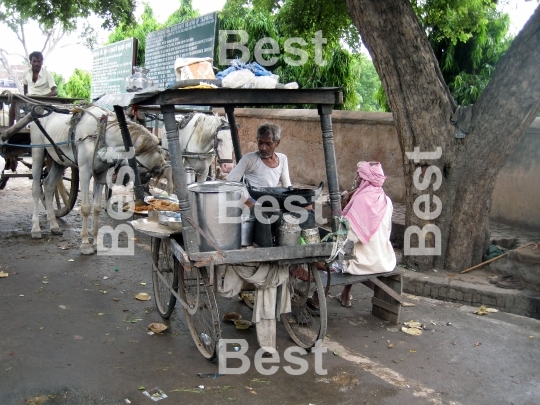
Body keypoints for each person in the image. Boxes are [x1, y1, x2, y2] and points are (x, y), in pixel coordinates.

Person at [337, 161, 397, 307]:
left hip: (362, 264)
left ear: (364, 180)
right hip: (384, 260)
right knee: (353, 247)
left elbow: (349, 237)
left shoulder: (360, 200)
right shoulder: (387, 200)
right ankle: (345, 294)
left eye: (358, 176)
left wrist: (341, 220)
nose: (356, 180)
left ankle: (316, 298)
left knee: (336, 250)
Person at [226, 122, 291, 207]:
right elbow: (229, 184)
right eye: (260, 142)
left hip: (270, 200)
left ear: (277, 143)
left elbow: (287, 186)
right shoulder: (249, 159)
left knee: (307, 206)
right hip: (251, 202)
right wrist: (247, 202)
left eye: (268, 144)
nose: (263, 147)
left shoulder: (282, 159)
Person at [9, 51, 57, 125]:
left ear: (42, 62)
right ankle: (10, 128)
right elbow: (25, 89)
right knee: (14, 101)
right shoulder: (26, 73)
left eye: (38, 61)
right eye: (34, 61)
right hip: (30, 100)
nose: (36, 64)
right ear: (31, 62)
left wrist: (42, 97)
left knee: (36, 109)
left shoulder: (48, 74)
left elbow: (55, 91)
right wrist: (27, 98)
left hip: (43, 102)